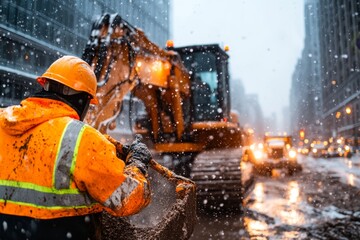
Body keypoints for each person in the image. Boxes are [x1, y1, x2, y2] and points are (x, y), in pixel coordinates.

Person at [0, 56, 152, 240]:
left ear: (44, 85)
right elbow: (127, 200)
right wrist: (137, 163)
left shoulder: (3, 120)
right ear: (84, 100)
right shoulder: (84, 139)